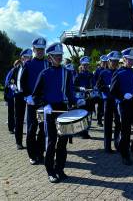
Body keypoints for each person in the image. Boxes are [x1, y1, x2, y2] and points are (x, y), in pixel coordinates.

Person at [32, 42, 75, 183]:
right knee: (51, 141)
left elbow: (69, 92)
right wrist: (45, 105)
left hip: (63, 108)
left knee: (62, 142)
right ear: (49, 57)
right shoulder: (44, 73)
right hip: (50, 110)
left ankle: (60, 169)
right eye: (56, 56)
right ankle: (50, 171)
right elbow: (36, 95)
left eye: (60, 56)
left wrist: (75, 101)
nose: (59, 58)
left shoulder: (67, 73)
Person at [110, 47, 133, 165]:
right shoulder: (118, 72)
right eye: (129, 59)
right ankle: (125, 155)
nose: (131, 62)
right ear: (124, 59)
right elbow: (112, 91)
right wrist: (122, 96)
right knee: (126, 132)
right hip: (124, 105)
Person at [20, 37, 48, 165]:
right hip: (32, 102)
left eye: (42, 49)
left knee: (43, 129)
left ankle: (40, 153)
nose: (40, 51)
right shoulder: (28, 64)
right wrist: (27, 96)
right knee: (32, 129)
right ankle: (32, 155)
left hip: (44, 102)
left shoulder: (48, 64)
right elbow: (22, 82)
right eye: (38, 49)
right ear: (34, 49)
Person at [97, 51, 121, 153]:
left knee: (118, 123)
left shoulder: (119, 72)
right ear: (109, 61)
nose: (115, 63)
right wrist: (107, 87)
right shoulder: (103, 73)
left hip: (118, 101)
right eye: (113, 61)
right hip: (108, 101)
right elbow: (99, 86)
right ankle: (107, 147)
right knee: (108, 124)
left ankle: (117, 143)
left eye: (116, 61)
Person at [11, 49, 33, 149]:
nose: (28, 59)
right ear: (22, 58)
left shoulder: (31, 68)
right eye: (26, 57)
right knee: (18, 119)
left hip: (29, 96)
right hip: (19, 96)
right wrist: (12, 85)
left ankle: (31, 143)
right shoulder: (16, 69)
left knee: (31, 120)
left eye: (29, 57)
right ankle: (18, 142)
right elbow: (10, 80)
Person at [74, 56, 94, 139]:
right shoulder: (78, 75)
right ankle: (82, 132)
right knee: (82, 115)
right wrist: (80, 88)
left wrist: (94, 88)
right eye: (84, 65)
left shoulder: (91, 74)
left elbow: (94, 83)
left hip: (90, 97)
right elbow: (73, 86)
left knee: (89, 114)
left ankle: (86, 131)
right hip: (82, 98)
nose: (86, 66)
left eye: (87, 65)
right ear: (81, 65)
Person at [93, 55, 108, 127]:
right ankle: (99, 121)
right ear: (101, 62)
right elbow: (94, 80)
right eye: (103, 62)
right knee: (100, 107)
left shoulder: (108, 69)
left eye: (105, 62)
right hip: (100, 91)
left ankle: (107, 120)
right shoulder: (98, 70)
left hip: (107, 90)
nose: (104, 63)